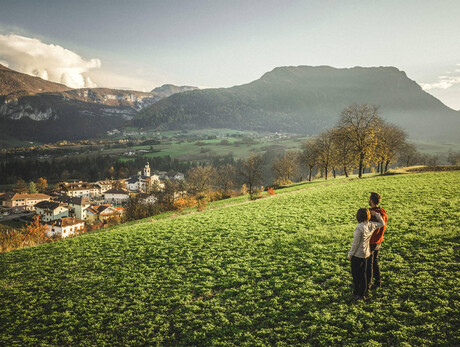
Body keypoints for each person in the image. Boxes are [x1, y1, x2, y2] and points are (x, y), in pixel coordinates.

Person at [348, 208, 385, 301]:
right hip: (366, 253)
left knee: (356, 275)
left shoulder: (359, 228)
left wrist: (350, 254)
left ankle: (357, 292)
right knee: (363, 274)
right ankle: (362, 293)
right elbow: (382, 223)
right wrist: (377, 214)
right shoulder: (371, 224)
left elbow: (355, 244)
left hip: (357, 255)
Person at [367, 192, 388, 290]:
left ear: (371, 200)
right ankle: (378, 281)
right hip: (379, 241)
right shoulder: (382, 212)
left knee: (369, 264)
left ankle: (369, 283)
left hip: (371, 241)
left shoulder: (371, 213)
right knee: (375, 261)